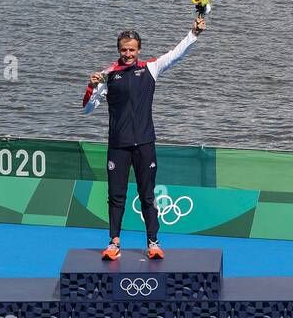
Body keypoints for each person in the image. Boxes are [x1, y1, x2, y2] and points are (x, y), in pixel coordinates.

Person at [82, 16, 205, 260]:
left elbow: (176, 54)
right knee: (116, 197)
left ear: (139, 50)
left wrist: (194, 32)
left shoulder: (150, 68)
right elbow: (88, 109)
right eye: (124, 50)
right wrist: (90, 86)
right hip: (118, 146)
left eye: (132, 50)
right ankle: (114, 244)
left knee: (148, 195)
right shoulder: (107, 75)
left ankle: (153, 243)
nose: (128, 53)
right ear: (119, 50)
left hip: (145, 144)